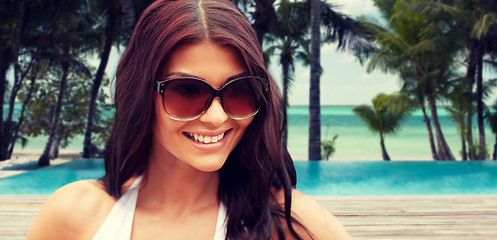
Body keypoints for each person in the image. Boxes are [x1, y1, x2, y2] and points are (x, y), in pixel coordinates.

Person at [26, 0, 350, 239]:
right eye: (187, 90)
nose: (217, 117)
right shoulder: (73, 216)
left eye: (240, 91)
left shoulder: (292, 224)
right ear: (142, 94)